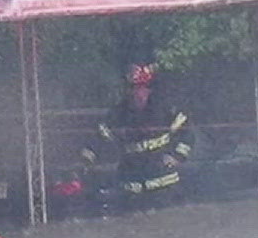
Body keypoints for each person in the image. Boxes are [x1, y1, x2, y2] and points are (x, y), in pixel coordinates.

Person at [80, 62, 195, 210]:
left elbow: (186, 133)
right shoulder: (117, 114)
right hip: (131, 185)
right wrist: (86, 161)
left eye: (142, 88)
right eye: (133, 89)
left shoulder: (164, 109)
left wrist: (177, 156)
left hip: (163, 183)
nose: (138, 93)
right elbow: (98, 139)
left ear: (149, 90)